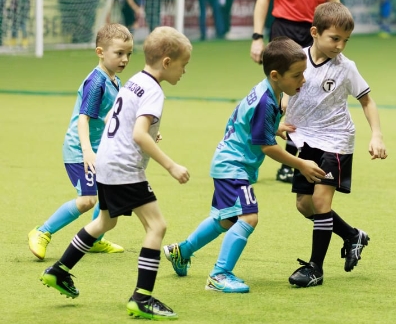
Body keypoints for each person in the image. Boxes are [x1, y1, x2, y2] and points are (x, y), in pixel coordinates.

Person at [40, 27, 192, 321]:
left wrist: (146, 131)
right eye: (183, 65)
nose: (184, 71)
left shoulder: (133, 81)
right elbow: (139, 134)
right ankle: (142, 298)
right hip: (125, 169)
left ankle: (59, 270)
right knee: (157, 226)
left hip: (106, 164)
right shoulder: (153, 91)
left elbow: (114, 117)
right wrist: (171, 165)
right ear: (167, 62)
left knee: (105, 221)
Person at [162, 38, 326, 293]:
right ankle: (219, 275)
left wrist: (274, 127)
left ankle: (181, 252)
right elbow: (267, 147)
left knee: (226, 219)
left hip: (227, 163)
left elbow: (246, 121)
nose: (302, 80)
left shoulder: (267, 91)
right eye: (297, 75)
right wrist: (301, 164)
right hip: (233, 167)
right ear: (276, 75)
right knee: (248, 217)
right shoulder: (266, 101)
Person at [285, 2, 388, 288]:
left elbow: (367, 101)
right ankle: (353, 235)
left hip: (336, 139)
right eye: (334, 38)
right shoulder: (297, 60)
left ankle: (315, 269)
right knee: (304, 205)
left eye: (346, 40)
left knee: (321, 202)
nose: (340, 46)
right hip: (305, 139)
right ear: (314, 33)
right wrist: (281, 119)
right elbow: (285, 91)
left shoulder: (346, 67)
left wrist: (377, 135)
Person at [249, 0, 342, 183]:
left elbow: (334, 2)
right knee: (282, 96)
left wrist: (335, 39)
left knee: (310, 95)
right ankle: (258, 154)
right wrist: (257, 36)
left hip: (316, 32)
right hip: (284, 29)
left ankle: (292, 163)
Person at [28, 23, 133, 259]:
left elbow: (112, 117)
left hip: (101, 150)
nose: (125, 59)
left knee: (111, 196)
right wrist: (87, 151)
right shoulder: (96, 83)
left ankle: (94, 240)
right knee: (87, 200)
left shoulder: (115, 81)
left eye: (128, 54)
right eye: (119, 53)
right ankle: (42, 232)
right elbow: (83, 119)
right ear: (100, 52)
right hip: (80, 150)